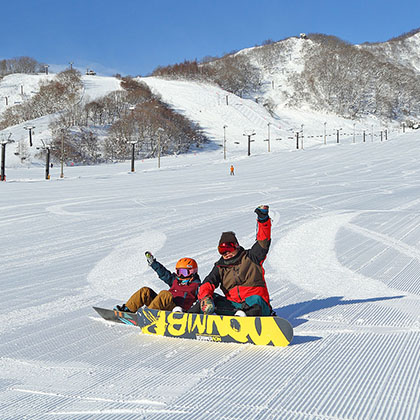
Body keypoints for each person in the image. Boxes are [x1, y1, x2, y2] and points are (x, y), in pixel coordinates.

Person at [197, 205, 272, 317]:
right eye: (222, 250)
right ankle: (186, 319)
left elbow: (263, 241)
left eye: (228, 249)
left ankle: (244, 321)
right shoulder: (220, 267)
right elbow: (208, 282)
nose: (226, 253)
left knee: (256, 299)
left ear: (236, 246)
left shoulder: (251, 257)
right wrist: (205, 298)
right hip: (235, 307)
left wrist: (263, 220)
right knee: (212, 299)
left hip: (257, 307)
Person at [115, 252, 201, 313]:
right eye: (179, 272)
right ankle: (127, 310)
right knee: (145, 291)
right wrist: (153, 263)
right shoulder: (175, 280)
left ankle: (148, 314)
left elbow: (206, 298)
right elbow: (163, 273)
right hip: (161, 306)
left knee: (165, 294)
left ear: (193, 272)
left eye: (184, 272)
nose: (181, 275)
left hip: (176, 311)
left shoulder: (197, 286)